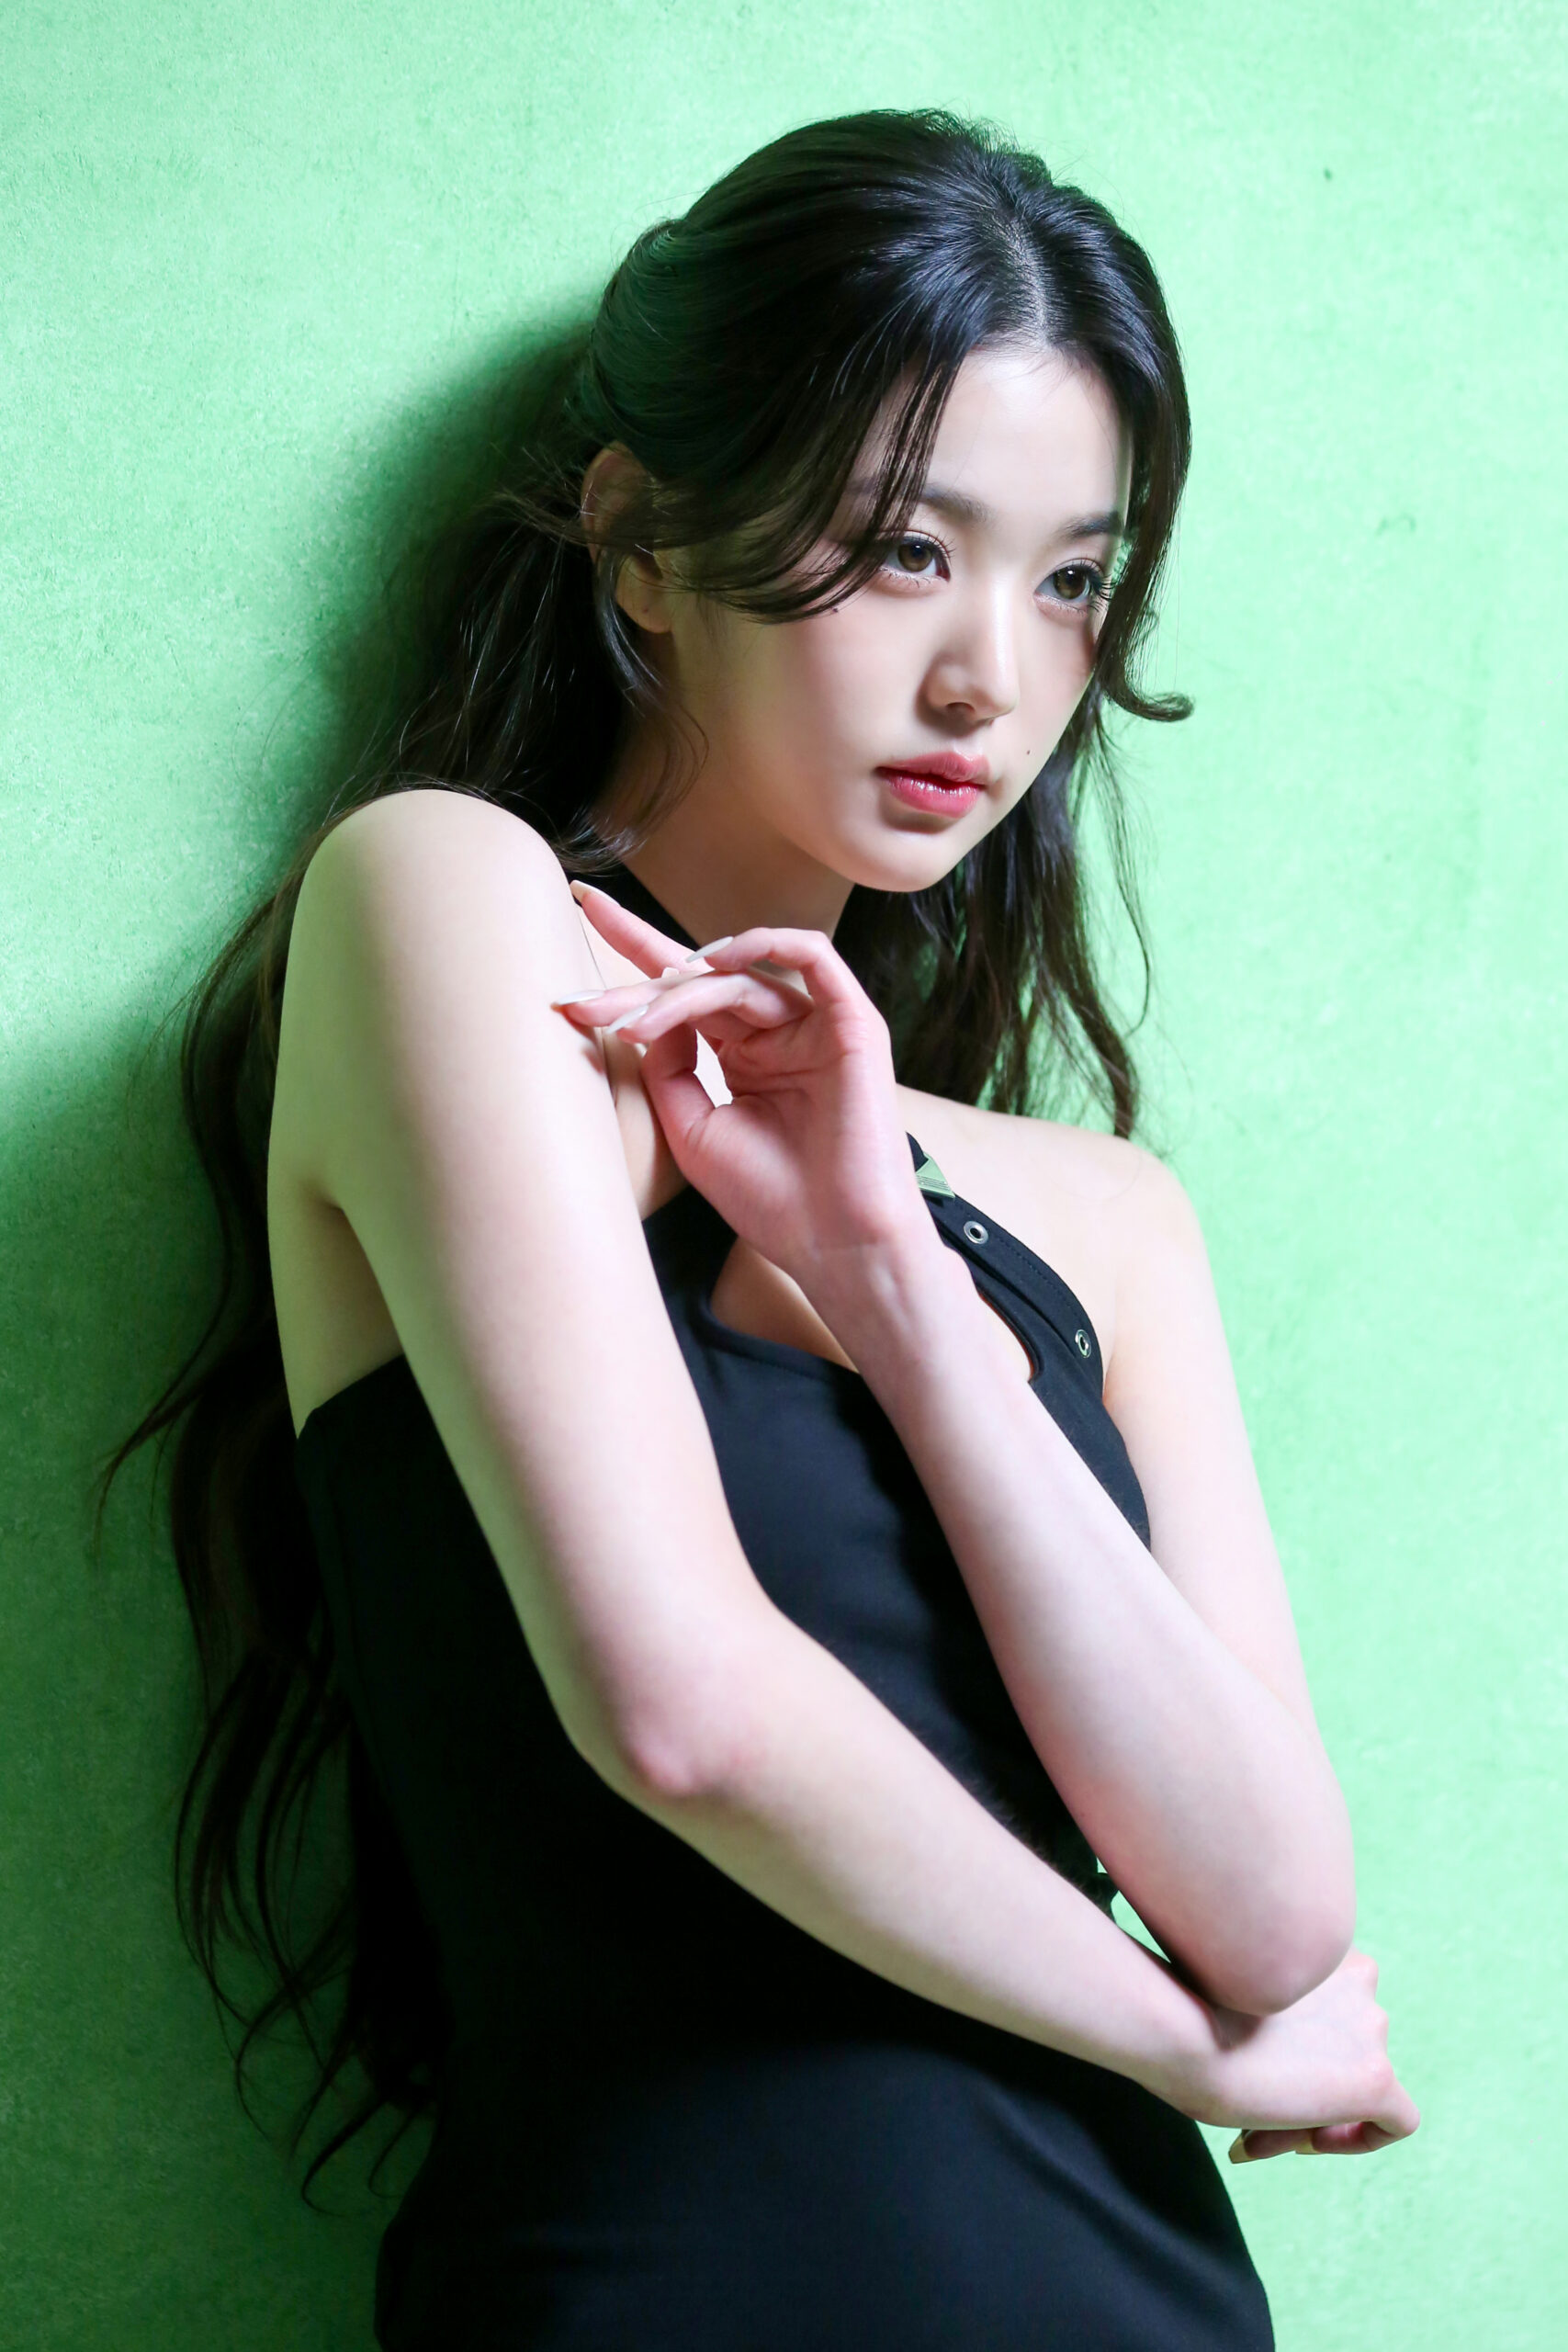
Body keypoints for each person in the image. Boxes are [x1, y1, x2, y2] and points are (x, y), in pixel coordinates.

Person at [113, 108, 1417, 2349]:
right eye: (905, 547)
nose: (988, 676)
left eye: (1069, 581)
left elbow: (1276, 1911)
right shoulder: (449, 907)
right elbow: (681, 1707)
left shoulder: (1089, 1213)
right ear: (641, 543)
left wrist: (896, 1282)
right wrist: (1177, 2043)